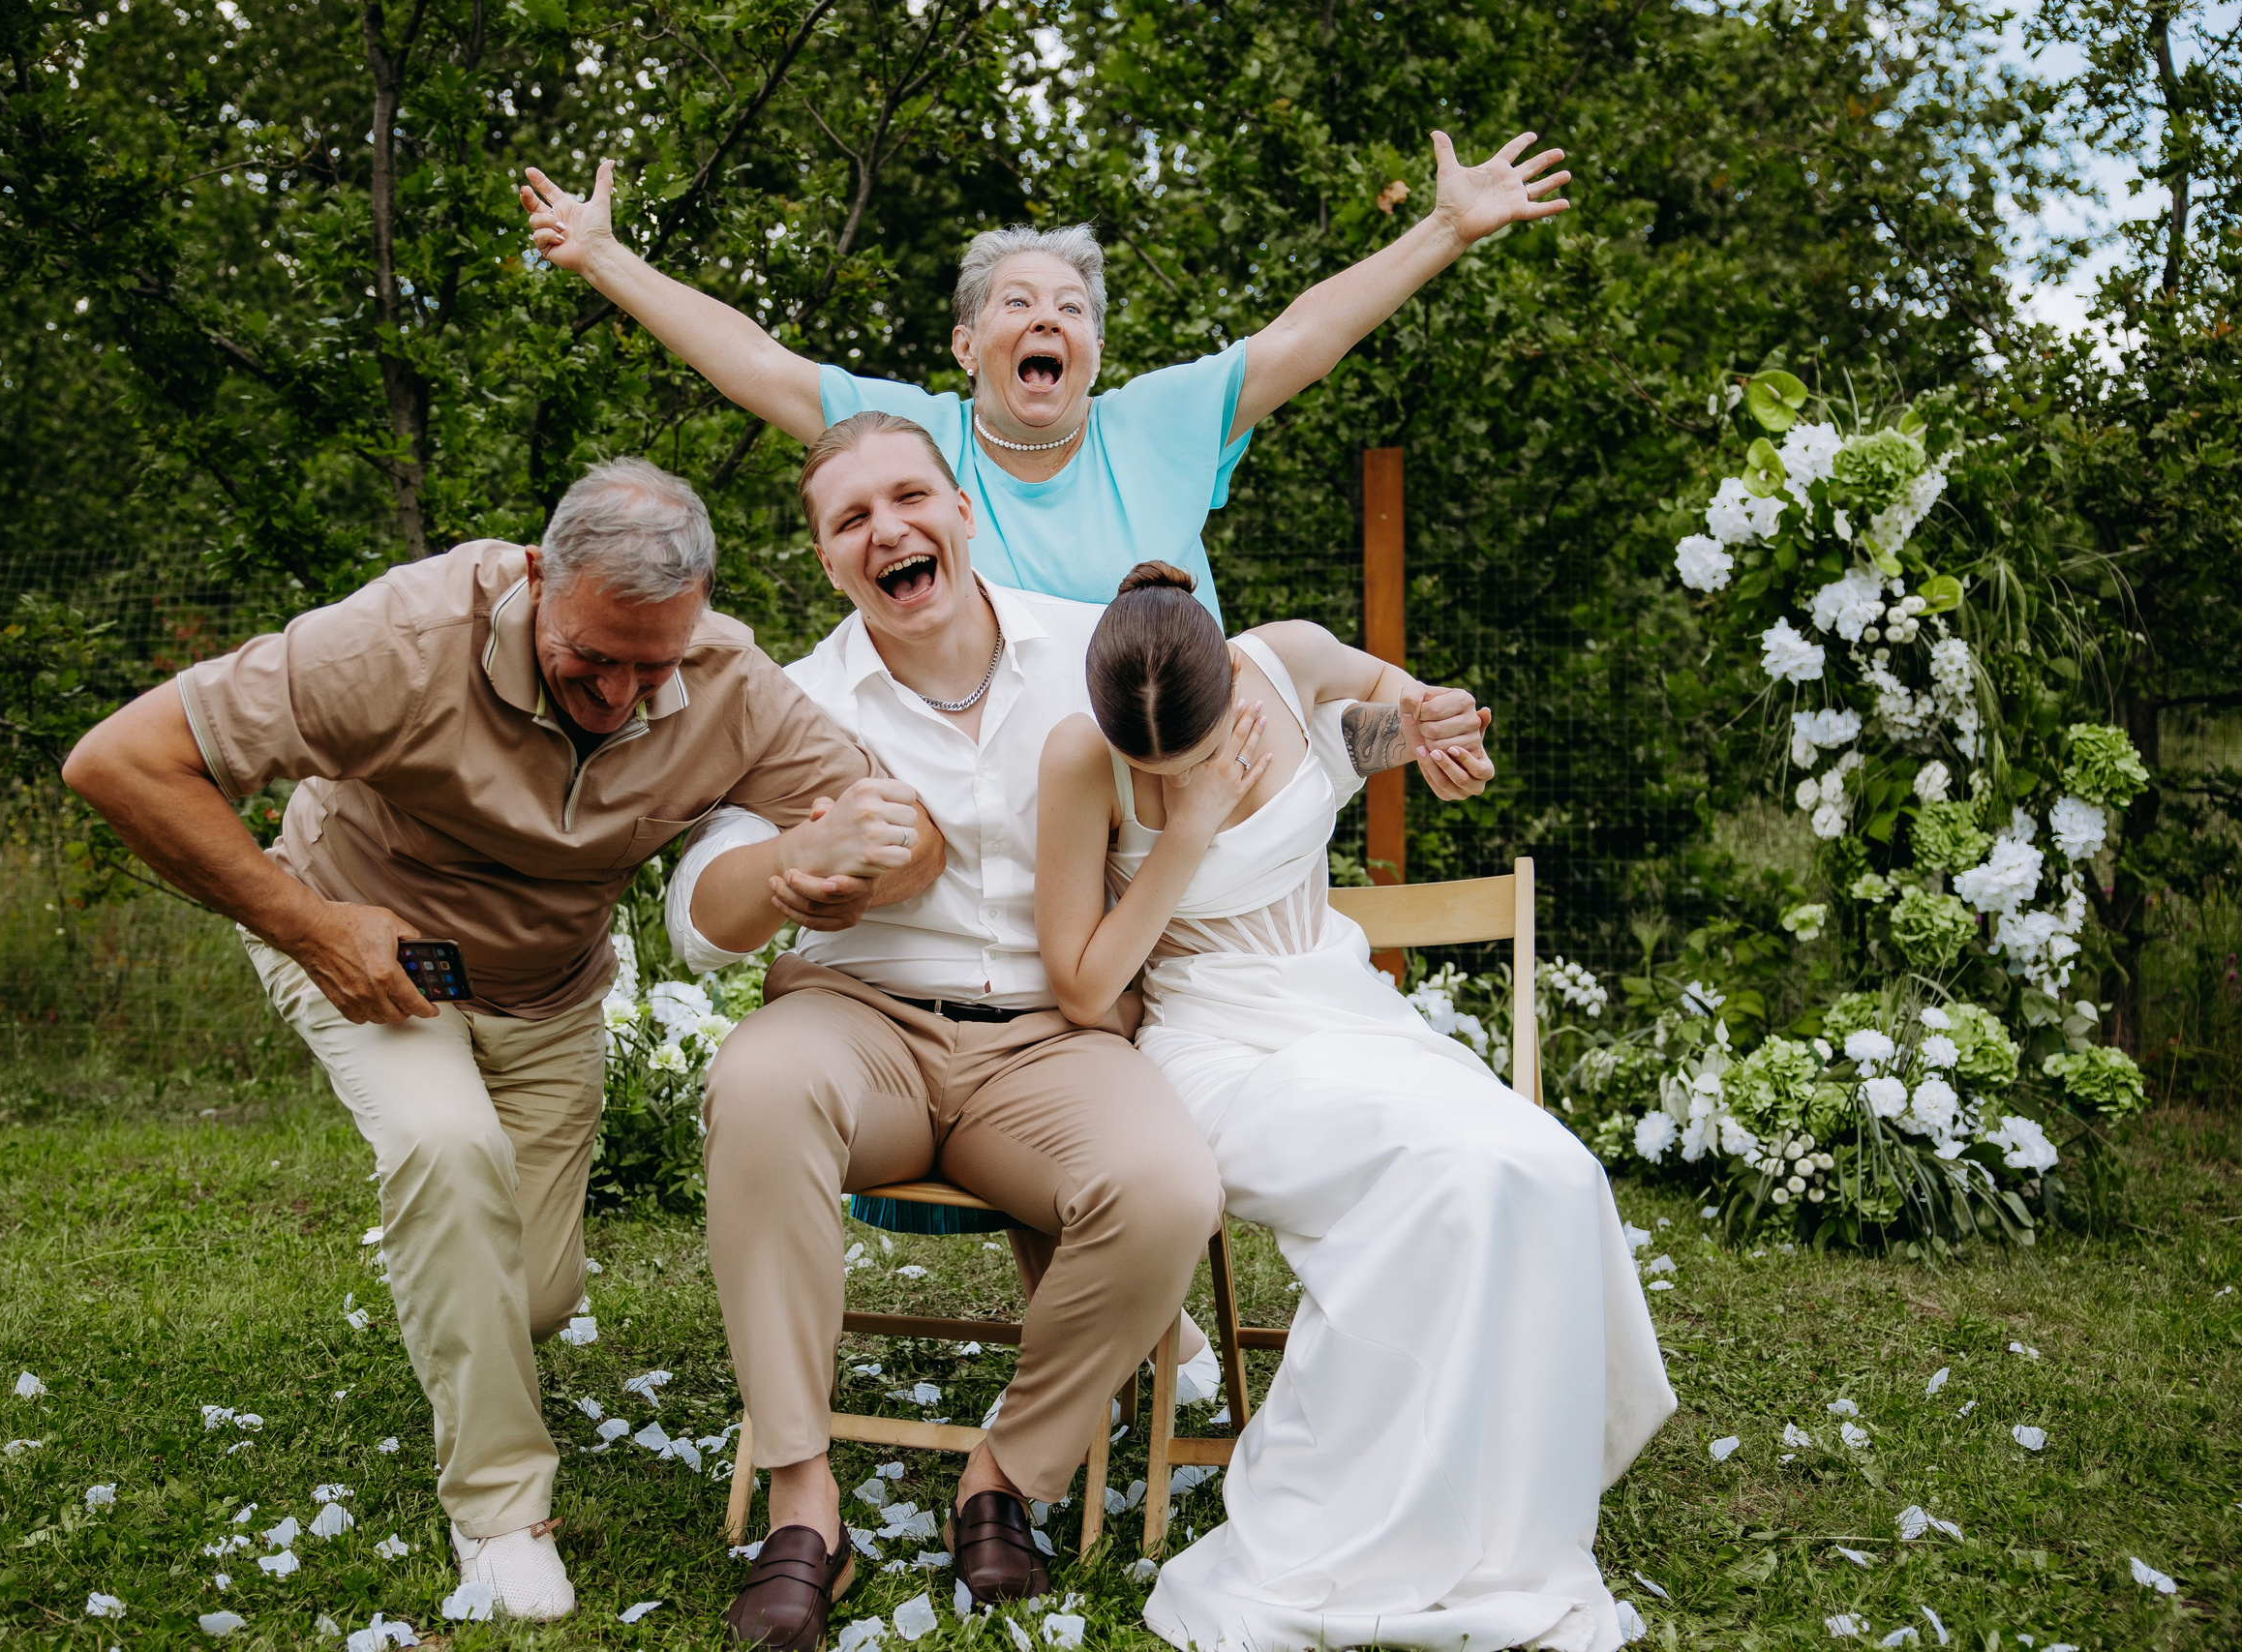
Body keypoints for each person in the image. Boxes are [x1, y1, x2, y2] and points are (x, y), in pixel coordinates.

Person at [662, 415, 1495, 1652]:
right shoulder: (794, 702)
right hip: (861, 1023)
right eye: (850, 520)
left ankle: (1007, 1472)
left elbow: (1273, 747)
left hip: (1059, 1041)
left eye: (908, 499)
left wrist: (1406, 729)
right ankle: (802, 1502)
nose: (886, 529)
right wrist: (790, 860)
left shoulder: (1092, 653)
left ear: (957, 509)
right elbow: (695, 914)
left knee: (1165, 1186)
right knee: (760, 1086)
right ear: (829, 560)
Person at [61, 457, 941, 1622]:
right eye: (595, 659)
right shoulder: (400, 639)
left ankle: (457, 1266)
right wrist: (307, 926)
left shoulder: (727, 678)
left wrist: (849, 877)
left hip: (551, 993)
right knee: (444, 1149)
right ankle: (501, 1516)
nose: (622, 693)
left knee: (530, 1293)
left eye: (654, 665)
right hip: (367, 953)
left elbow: (910, 835)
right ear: (539, 578)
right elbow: (116, 760)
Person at [1033, 563, 1677, 1652]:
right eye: (1150, 767)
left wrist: (1439, 740)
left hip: (1344, 1008)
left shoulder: (1288, 662)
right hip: (1214, 1044)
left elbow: (1404, 720)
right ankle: (1347, 1516)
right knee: (1439, 1181)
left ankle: (1496, 1490)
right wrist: (1182, 832)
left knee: (1551, 1166)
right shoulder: (1077, 760)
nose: (1169, 777)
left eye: (1186, 758)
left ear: (1229, 686)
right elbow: (1086, 988)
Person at [518, 132, 1571, 618]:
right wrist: (605, 257)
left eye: (1071, 309)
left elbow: (1305, 337)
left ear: (1096, 353)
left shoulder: (1155, 421)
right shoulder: (907, 443)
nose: (1047, 320)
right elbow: (752, 359)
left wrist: (1442, 231)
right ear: (966, 345)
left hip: (1176, 765)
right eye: (1016, 303)